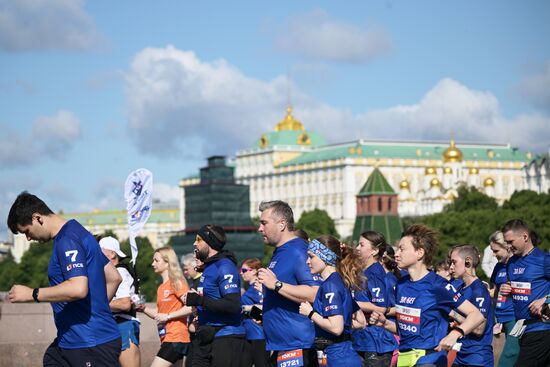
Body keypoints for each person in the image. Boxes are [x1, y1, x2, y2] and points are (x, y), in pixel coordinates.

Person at [7, 191, 123, 366]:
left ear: (37, 217)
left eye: (27, 232)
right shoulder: (79, 232)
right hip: (71, 342)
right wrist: (96, 311)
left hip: (89, 344)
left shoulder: (67, 240)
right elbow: (114, 277)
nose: (29, 238)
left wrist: (32, 294)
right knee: (50, 360)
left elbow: (78, 288)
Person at [369, 224, 484, 367]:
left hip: (429, 360)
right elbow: (409, 329)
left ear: (419, 253)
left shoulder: (438, 285)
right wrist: (385, 323)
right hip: (404, 359)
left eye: (402, 249)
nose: (397, 254)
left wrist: (455, 334)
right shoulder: (401, 284)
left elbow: (476, 315)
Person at [256, 200, 320, 367]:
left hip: (297, 346)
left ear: (282, 224)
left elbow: (315, 292)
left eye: (264, 223)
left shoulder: (299, 250)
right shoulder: (280, 252)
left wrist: (277, 285)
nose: (259, 228)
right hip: (280, 345)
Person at [298, 235, 365, 367]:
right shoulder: (339, 281)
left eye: (311, 256)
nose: (307, 261)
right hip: (345, 353)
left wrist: (311, 313)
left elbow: (336, 328)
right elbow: (361, 321)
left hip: (338, 356)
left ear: (325, 257)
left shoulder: (330, 286)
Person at [183, 224, 245, 367]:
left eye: (198, 240)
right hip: (207, 335)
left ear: (209, 242)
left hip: (226, 336)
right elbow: (212, 299)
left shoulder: (224, 266)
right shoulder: (210, 266)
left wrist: (199, 300)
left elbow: (233, 304)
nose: (194, 243)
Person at [499, 219, 550, 367]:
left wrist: (546, 299)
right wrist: (508, 289)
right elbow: (520, 287)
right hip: (523, 330)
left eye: (511, 241)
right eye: (506, 242)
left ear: (525, 237)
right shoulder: (511, 263)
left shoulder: (543, 260)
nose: (508, 246)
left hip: (542, 329)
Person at [139, 246, 193, 367]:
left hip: (176, 338)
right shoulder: (162, 287)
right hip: (167, 338)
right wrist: (142, 308)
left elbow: (191, 307)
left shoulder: (177, 282)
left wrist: (168, 316)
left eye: (156, 260)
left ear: (167, 262)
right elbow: (160, 312)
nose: (153, 264)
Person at [353, 231, 398, 366]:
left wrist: (351, 303)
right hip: (362, 340)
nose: (357, 248)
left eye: (361, 245)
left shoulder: (374, 273)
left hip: (376, 342)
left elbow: (380, 307)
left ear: (374, 251)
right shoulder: (363, 272)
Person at [448, 244, 494, 367]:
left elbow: (479, 329)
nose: (451, 267)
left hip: (478, 358)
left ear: (467, 262)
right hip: (461, 355)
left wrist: (454, 314)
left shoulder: (479, 291)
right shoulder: (458, 287)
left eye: (454, 262)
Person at [99, 236, 141, 367]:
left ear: (112, 253)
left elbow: (125, 304)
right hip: (115, 326)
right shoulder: (117, 271)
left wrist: (98, 304)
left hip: (123, 325)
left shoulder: (120, 271)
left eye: (101, 251)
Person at [488, 231, 519, 367]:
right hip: (501, 318)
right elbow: (494, 291)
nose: (493, 255)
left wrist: (514, 289)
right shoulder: (498, 266)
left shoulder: (520, 263)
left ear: (507, 246)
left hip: (515, 317)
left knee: (509, 356)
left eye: (496, 251)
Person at [240, 258, 270, 367]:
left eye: (244, 270)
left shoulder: (258, 288)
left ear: (253, 271)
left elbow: (264, 309)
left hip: (259, 336)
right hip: (249, 335)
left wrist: (246, 309)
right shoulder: (251, 288)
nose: (241, 273)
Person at [181, 253, 202, 367]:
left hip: (199, 333)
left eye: (186, 269)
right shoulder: (195, 282)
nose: (185, 272)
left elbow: (191, 308)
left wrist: (168, 315)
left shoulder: (200, 283)